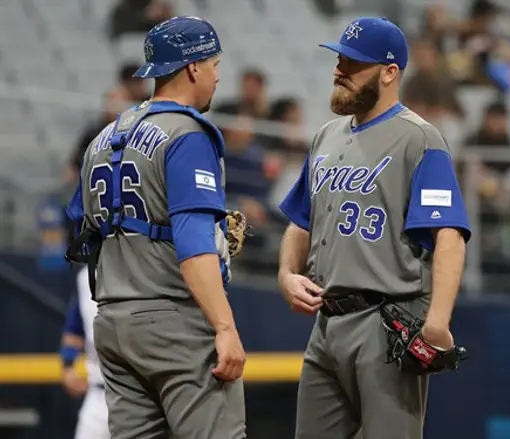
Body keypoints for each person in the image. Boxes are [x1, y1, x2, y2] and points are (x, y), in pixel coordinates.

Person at [277, 17, 471, 439]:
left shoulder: (420, 140)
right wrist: (286, 273)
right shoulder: (325, 137)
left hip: (388, 321)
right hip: (326, 324)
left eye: (353, 62)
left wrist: (437, 322)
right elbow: (300, 222)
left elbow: (450, 237)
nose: (338, 70)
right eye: (339, 59)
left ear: (389, 72)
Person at [64, 16, 247, 439]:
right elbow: (192, 242)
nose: (218, 76)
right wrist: (224, 327)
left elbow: (87, 230)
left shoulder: (104, 137)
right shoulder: (187, 133)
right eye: (214, 64)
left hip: (113, 324)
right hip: (172, 321)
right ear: (193, 67)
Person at [61, 267, 109, 439]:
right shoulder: (85, 278)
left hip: (140, 396)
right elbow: (74, 330)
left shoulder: (142, 268)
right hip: (98, 394)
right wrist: (67, 366)